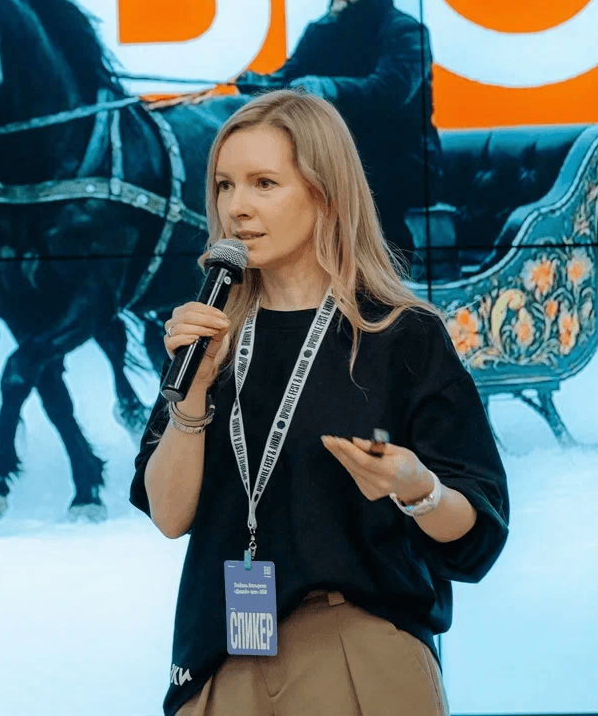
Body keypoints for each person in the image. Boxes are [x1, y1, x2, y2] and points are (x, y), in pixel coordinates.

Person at [130, 90, 508, 716]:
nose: (236, 207)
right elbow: (170, 517)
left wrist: (417, 488)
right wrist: (192, 397)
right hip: (220, 653)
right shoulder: (209, 334)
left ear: (326, 194)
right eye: (224, 185)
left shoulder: (402, 335)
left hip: (358, 646)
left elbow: (478, 540)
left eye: (264, 183)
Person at [236, 0, 443, 259]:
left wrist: (327, 88)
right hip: (334, 154)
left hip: (400, 159)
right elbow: (287, 78)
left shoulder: (406, 31)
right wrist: (257, 83)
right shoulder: (322, 29)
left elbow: (390, 90)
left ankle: (392, 274)